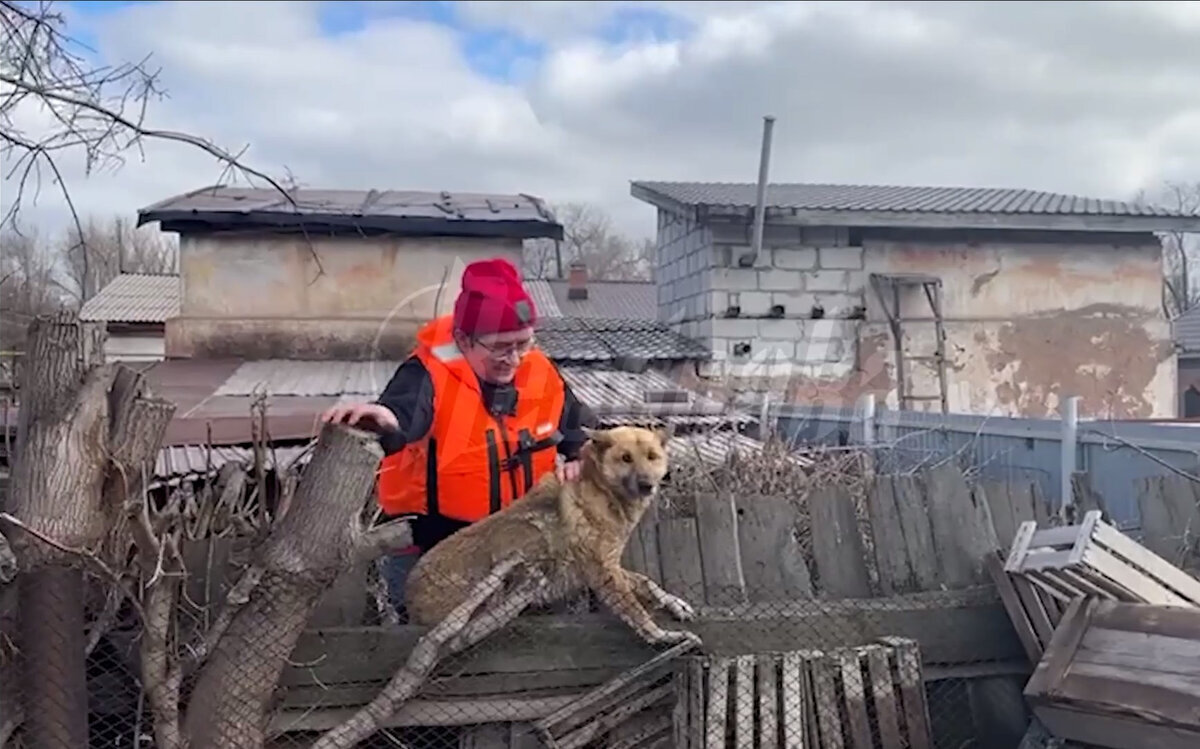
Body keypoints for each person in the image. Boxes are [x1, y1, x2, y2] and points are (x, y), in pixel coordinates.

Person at [320, 257, 595, 616]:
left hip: (521, 550)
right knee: (427, 648)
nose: (514, 358)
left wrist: (582, 457)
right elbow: (401, 413)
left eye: (523, 343)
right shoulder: (426, 373)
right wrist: (382, 418)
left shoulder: (540, 370)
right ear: (464, 339)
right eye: (499, 347)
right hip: (435, 554)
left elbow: (581, 432)